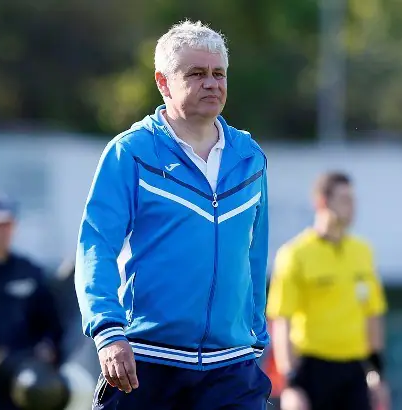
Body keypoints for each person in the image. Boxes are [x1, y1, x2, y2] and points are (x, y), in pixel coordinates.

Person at [75, 19, 271, 410]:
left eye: (218, 74)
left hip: (231, 366)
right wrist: (108, 331)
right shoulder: (131, 152)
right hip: (145, 362)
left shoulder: (250, 157)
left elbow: (255, 253)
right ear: (163, 83)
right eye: (196, 74)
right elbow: (96, 245)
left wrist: (255, 338)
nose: (212, 83)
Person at [266, 172, 390, 410]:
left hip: (354, 370)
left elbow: (373, 313)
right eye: (344, 199)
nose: (352, 207)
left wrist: (377, 373)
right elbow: (282, 320)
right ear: (322, 202)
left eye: (353, 200)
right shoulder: (295, 255)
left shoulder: (363, 252)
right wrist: (291, 384)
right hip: (312, 370)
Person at [0, 193, 64, 409]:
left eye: (7, 225)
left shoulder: (29, 272)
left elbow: (52, 323)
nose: (2, 231)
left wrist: (47, 347)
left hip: (22, 376)